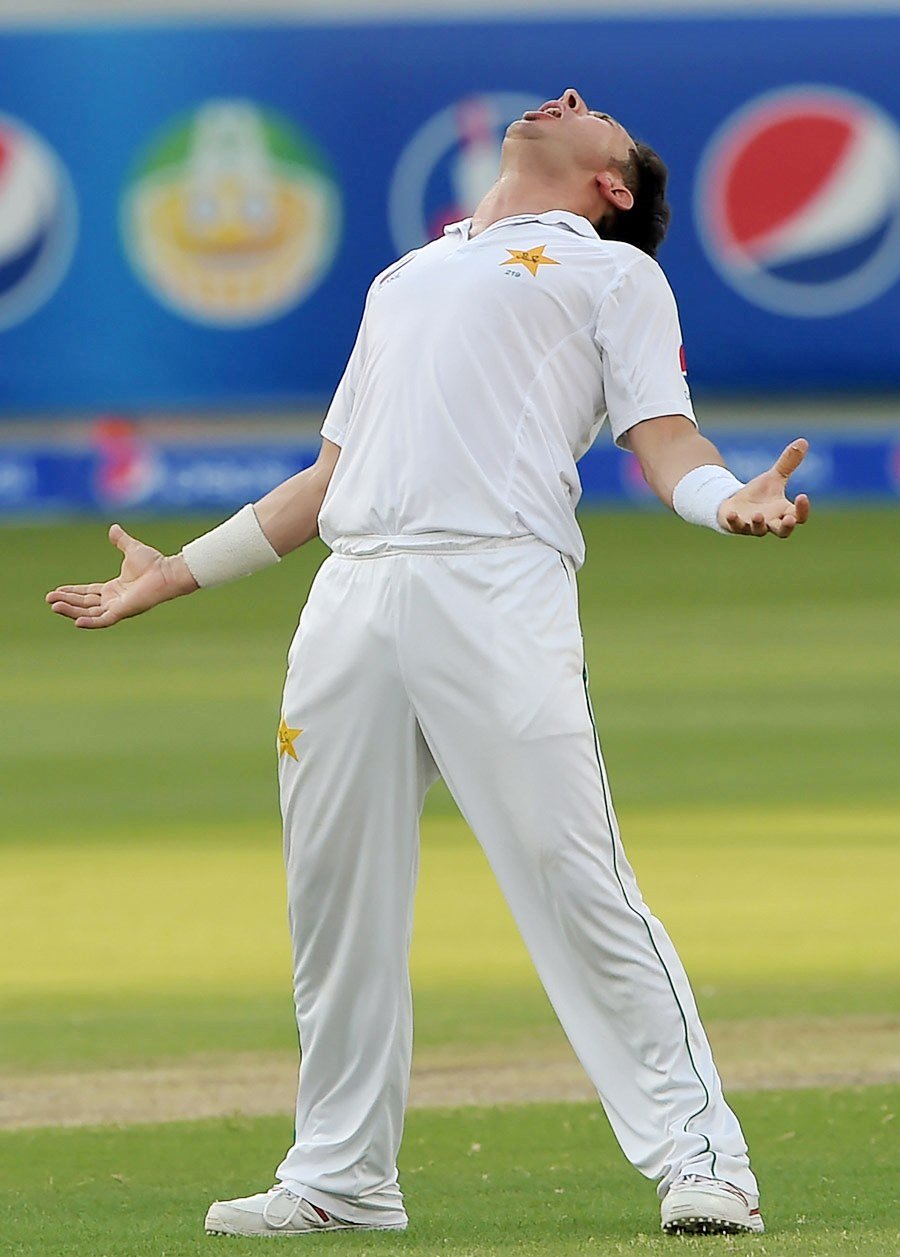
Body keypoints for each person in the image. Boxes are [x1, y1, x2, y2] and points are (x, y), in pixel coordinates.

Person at [47, 88, 810, 1239]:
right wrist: (177, 573)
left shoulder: (611, 273)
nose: (560, 100)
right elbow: (328, 477)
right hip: (352, 596)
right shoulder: (404, 278)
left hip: (496, 585)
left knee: (575, 881)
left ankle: (704, 1163)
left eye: (591, 113)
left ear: (613, 186)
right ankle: (344, 1177)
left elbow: (664, 436)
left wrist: (722, 502)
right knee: (335, 901)